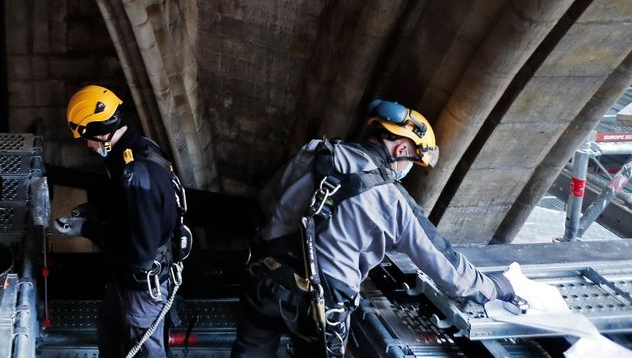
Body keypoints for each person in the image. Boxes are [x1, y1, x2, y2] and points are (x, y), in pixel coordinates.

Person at [230, 99, 522, 357]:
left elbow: (267, 202)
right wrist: (493, 287)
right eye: (413, 160)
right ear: (402, 147)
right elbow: (445, 265)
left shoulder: (315, 150)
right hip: (317, 304)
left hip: (263, 277)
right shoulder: (391, 199)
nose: (407, 170)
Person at [52, 85, 189, 358]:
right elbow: (131, 209)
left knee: (142, 350)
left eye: (86, 138)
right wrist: (93, 210)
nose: (87, 145)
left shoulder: (135, 175)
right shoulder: (138, 150)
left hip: (143, 287)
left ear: (101, 132)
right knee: (110, 329)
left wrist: (87, 229)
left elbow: (139, 252)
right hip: (125, 279)